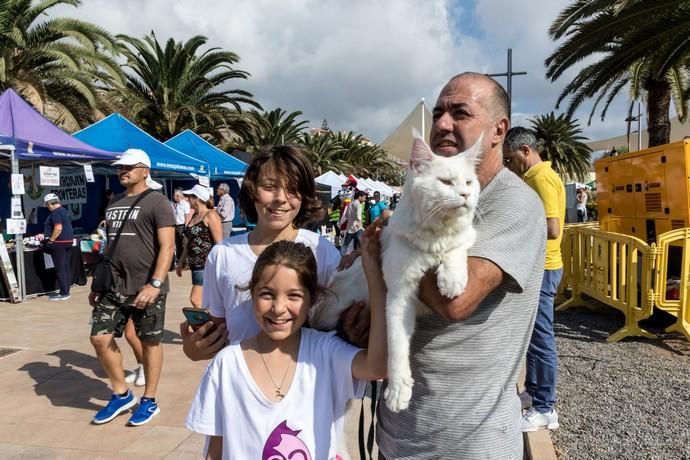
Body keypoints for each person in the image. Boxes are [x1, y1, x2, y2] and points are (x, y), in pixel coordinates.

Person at [375, 72, 546, 459]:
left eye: (460, 113)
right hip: (401, 432)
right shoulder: (425, 194)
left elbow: (456, 299)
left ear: (498, 129)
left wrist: (392, 246)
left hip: (467, 442)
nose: (442, 124)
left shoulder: (513, 203)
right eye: (437, 113)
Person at [186, 237, 387, 459]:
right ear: (251, 294)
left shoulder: (326, 352)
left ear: (313, 299)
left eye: (294, 296)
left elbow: (379, 367)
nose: (279, 308)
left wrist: (374, 278)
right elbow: (215, 451)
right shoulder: (226, 365)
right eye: (267, 294)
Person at [180, 145, 343, 360]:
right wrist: (195, 349)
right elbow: (218, 331)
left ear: (304, 196)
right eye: (269, 186)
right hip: (241, 384)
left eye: (293, 189)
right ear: (252, 190)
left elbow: (338, 331)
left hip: (308, 384)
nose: (281, 198)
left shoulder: (323, 252)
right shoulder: (223, 255)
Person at [88, 148, 175, 426]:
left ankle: (149, 400)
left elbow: (168, 246)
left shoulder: (158, 202)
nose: (123, 171)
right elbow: (112, 248)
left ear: (145, 171)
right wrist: (98, 284)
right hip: (115, 286)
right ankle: (122, 394)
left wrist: (155, 283)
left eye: (129, 167)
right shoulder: (113, 203)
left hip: (147, 287)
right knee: (99, 337)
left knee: (149, 343)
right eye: (120, 167)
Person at [503, 126, 565, 432]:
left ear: (525, 150)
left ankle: (545, 408)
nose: (509, 165)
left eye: (511, 158)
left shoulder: (540, 177)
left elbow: (553, 228)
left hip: (544, 267)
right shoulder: (536, 176)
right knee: (533, 336)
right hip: (540, 266)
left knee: (541, 339)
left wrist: (517, 220)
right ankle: (534, 392)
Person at [176, 184, 223, 308]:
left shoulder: (211, 215)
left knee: (196, 299)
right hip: (195, 264)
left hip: (206, 264)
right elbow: (188, 243)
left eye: (189, 197)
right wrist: (181, 262)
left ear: (196, 198)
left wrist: (219, 265)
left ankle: (207, 325)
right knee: (204, 300)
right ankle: (210, 324)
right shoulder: (194, 216)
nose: (187, 199)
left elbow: (220, 243)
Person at [43, 193, 74, 301]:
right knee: (65, 267)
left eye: (47, 205)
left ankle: (64, 293)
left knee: (60, 268)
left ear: (50, 204)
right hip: (68, 242)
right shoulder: (64, 211)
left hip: (59, 243)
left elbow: (58, 227)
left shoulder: (55, 213)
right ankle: (65, 290)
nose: (47, 207)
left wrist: (51, 240)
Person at [340, 190, 366, 256]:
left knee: (345, 244)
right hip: (357, 228)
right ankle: (362, 257)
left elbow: (345, 216)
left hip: (350, 228)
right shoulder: (358, 204)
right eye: (364, 198)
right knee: (362, 244)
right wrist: (360, 222)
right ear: (360, 197)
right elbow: (358, 215)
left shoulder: (350, 204)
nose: (364, 199)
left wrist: (340, 224)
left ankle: (341, 256)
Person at [172, 188, 192, 263]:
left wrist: (185, 228)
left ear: (178, 196)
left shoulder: (185, 204)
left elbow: (187, 217)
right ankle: (179, 260)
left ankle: (186, 261)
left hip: (182, 226)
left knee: (184, 244)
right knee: (178, 244)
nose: (173, 197)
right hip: (176, 226)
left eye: (174, 196)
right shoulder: (177, 205)